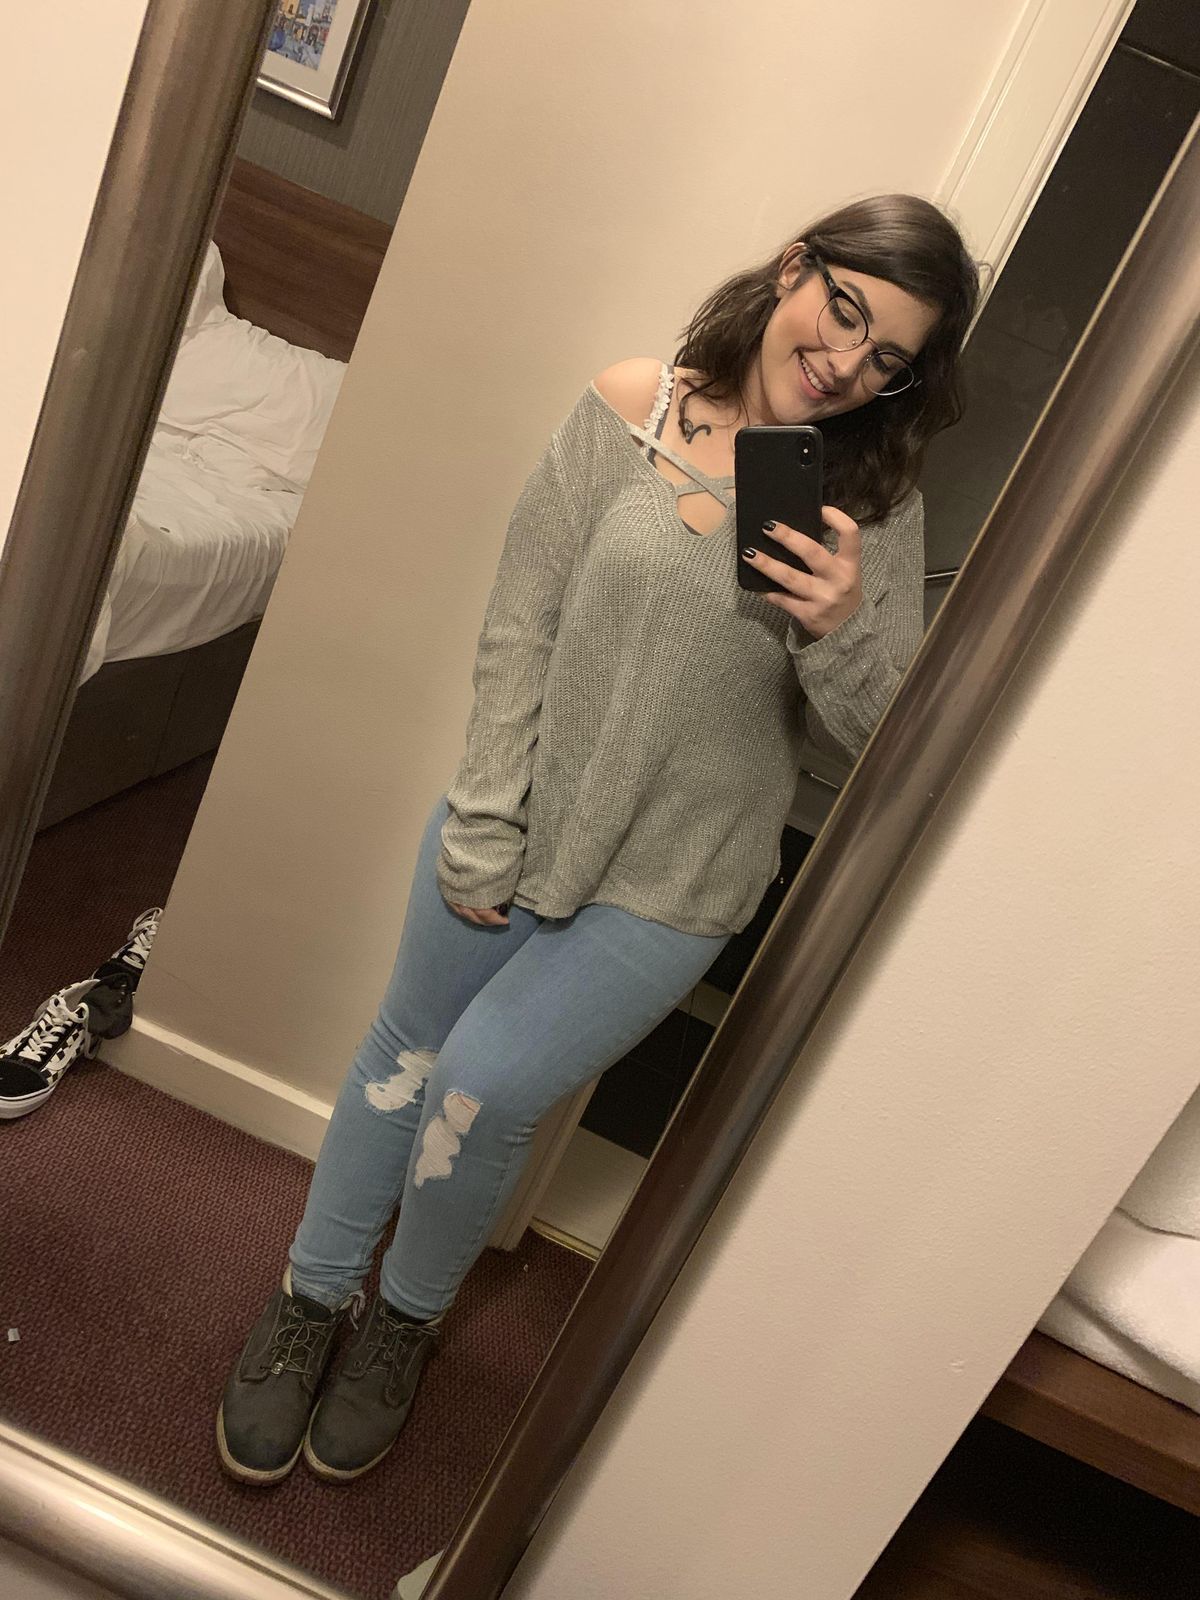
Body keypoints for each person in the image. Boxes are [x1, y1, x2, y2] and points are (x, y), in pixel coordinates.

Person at [216, 193, 980, 1485]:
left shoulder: (872, 509)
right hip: (520, 819)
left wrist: (842, 628)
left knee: (483, 1090)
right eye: (845, 309)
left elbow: (877, 740)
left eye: (889, 357)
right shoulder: (635, 402)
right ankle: (310, 1301)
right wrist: (485, 818)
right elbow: (522, 620)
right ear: (797, 267)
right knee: (404, 1060)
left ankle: (402, 1325)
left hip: (677, 879)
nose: (848, 361)